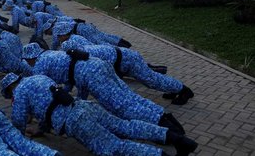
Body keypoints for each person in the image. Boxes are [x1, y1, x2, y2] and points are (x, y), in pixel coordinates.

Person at [1, 74, 197, 156]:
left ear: (10, 89)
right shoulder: (38, 77)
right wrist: (41, 129)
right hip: (84, 106)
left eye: (9, 94)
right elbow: (51, 103)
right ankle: (179, 140)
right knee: (125, 126)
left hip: (76, 121)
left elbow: (18, 122)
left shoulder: (20, 94)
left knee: (114, 148)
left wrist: (19, 143)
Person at [21, 43, 185, 134]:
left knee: (120, 106)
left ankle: (166, 126)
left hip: (91, 74)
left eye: (27, 61)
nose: (28, 64)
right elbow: (69, 78)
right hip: (98, 64)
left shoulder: (39, 67)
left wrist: (40, 124)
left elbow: (47, 97)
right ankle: (164, 116)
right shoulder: (51, 54)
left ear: (30, 58)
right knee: (130, 97)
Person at [60, 35, 194, 105]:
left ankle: (184, 91)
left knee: (151, 80)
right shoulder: (82, 50)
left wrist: (77, 101)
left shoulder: (82, 56)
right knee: (152, 79)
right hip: (123, 60)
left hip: (128, 60)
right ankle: (173, 89)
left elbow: (83, 84)